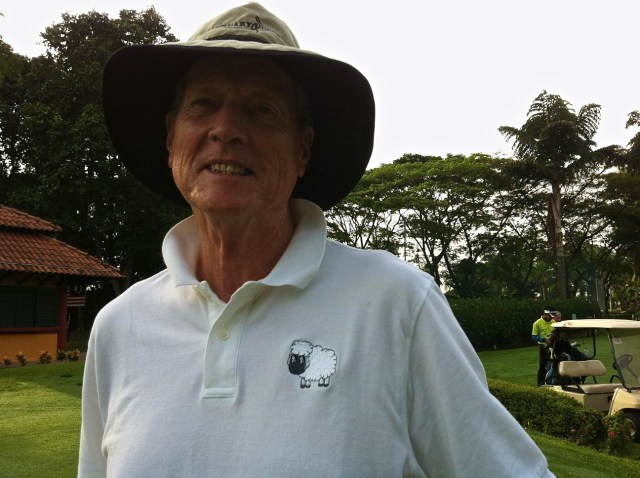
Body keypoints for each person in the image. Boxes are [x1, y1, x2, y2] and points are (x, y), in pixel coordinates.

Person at [79, 3, 553, 477]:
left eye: (262, 109)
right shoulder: (120, 327)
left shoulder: (396, 304)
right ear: (171, 137)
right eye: (203, 103)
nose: (225, 129)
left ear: (302, 149)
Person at [532, 308, 557, 385]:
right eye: (550, 316)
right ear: (545, 314)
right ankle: (540, 384)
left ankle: (553, 382)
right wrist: (544, 340)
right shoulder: (537, 323)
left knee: (555, 363)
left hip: (553, 345)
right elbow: (534, 336)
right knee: (543, 365)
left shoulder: (553, 322)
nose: (552, 318)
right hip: (543, 347)